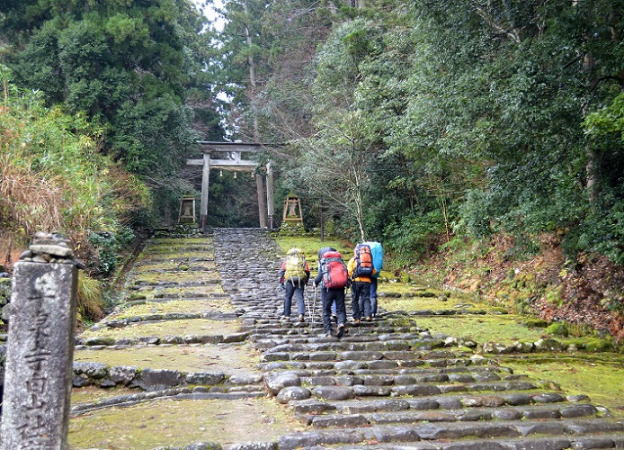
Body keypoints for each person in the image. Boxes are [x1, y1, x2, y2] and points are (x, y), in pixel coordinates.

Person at [313, 248, 348, 338]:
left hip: (327, 289)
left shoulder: (324, 261)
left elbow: (321, 274)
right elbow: (345, 272)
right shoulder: (340, 261)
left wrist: (315, 282)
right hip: (340, 288)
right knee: (340, 308)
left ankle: (328, 330)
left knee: (326, 310)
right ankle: (340, 323)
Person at [278, 248, 310, 321]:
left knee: (288, 297)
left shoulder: (287, 261)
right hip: (300, 281)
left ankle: (287, 315)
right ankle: (301, 314)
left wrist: (281, 282)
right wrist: (306, 281)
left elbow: (282, 271)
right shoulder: (303, 260)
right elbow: (307, 271)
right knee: (300, 297)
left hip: (290, 281)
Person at [347, 244, 376, 323]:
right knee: (366, 298)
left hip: (356, 281)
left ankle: (357, 318)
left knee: (355, 299)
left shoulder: (354, 260)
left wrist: (349, 278)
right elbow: (373, 271)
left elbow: (349, 271)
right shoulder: (369, 259)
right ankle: (368, 315)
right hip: (367, 281)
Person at [363, 241, 383, 318]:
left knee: (364, 294)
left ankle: (364, 312)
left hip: (364, 273)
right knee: (373, 293)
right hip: (374, 273)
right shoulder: (377, 248)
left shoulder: (363, 249)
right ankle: (373, 312)